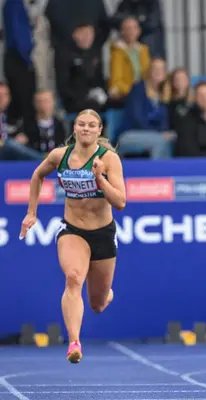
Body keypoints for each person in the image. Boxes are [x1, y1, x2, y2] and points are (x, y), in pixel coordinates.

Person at [19, 109, 126, 364]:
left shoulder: (109, 159)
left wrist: (100, 178)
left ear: (99, 130)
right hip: (72, 230)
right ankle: (74, 342)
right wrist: (31, 213)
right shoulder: (60, 155)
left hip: (102, 233)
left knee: (97, 304)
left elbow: (120, 201)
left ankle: (106, 293)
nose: (86, 128)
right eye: (81, 124)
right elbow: (37, 175)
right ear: (74, 129)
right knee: (73, 278)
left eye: (92, 125)